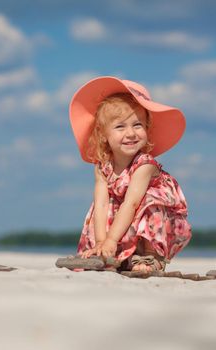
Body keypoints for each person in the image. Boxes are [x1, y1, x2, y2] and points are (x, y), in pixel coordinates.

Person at [69, 76, 191, 272]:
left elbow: (132, 203)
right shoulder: (103, 166)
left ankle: (151, 256)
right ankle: (113, 253)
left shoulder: (144, 165)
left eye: (137, 125)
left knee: (149, 200)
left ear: (147, 128)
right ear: (103, 135)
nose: (131, 133)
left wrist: (112, 239)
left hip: (157, 220)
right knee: (106, 205)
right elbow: (100, 203)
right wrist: (102, 241)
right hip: (124, 220)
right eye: (120, 126)